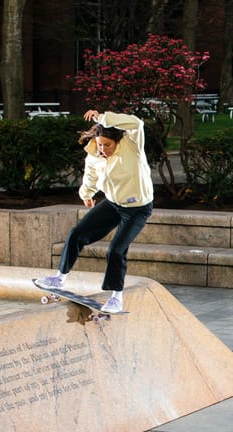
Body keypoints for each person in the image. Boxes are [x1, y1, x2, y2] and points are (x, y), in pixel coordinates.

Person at [35, 109, 153, 313]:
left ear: (117, 141)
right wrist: (86, 194)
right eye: (100, 145)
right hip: (113, 205)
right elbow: (90, 175)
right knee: (76, 234)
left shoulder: (132, 146)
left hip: (137, 209)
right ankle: (59, 279)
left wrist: (102, 118)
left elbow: (136, 123)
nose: (103, 149)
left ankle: (116, 298)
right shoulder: (96, 154)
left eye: (108, 145)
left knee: (116, 250)